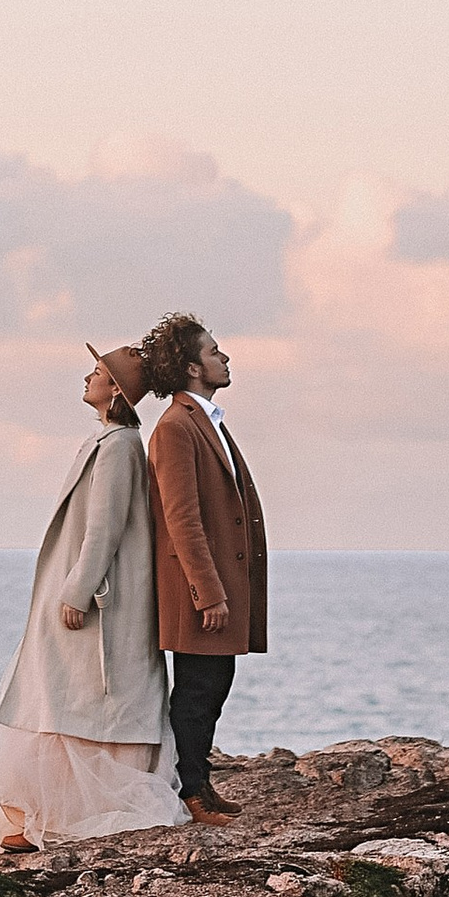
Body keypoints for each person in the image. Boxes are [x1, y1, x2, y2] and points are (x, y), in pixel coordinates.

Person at [0, 342, 186, 855]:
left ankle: (55, 815)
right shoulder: (111, 441)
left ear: (115, 391)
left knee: (72, 702)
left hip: (98, 605)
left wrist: (77, 591)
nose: (86, 378)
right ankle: (48, 813)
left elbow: (103, 529)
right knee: (64, 701)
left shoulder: (119, 446)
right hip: (91, 598)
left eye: (97, 373)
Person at [140, 308, 268, 824]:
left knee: (212, 686)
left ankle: (200, 784)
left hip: (218, 588)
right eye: (214, 351)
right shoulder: (176, 428)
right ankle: (189, 792)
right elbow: (181, 520)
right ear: (193, 367)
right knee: (197, 691)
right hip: (201, 591)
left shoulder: (204, 422)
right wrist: (208, 593)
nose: (225, 356)